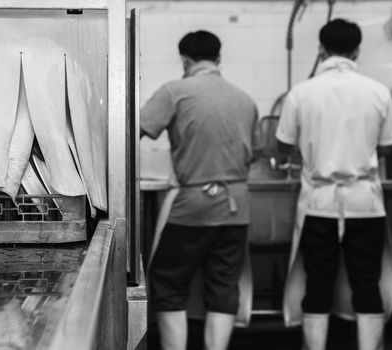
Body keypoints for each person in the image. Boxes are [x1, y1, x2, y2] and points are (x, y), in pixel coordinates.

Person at [276, 19, 392, 350]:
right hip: (365, 204)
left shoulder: (302, 93)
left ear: (321, 49)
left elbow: (283, 145)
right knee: (366, 282)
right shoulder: (377, 92)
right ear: (357, 51)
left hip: (320, 202)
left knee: (318, 281)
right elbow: (389, 145)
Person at [141, 30, 260, 350]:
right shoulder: (245, 99)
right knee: (223, 285)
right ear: (218, 59)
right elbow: (256, 152)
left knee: (168, 280)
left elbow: (131, 132)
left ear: (184, 60)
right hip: (236, 206)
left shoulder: (174, 91)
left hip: (192, 206)